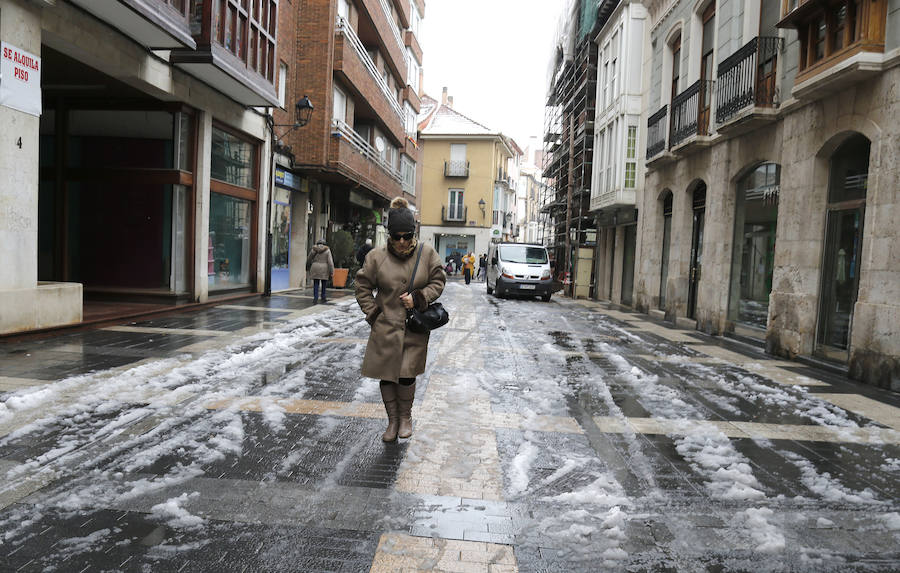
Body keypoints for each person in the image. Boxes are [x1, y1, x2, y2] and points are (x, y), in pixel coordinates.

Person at [356, 197, 445, 442]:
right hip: (385, 328)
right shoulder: (376, 257)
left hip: (413, 328)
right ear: (389, 235)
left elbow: (438, 281)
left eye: (407, 236)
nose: (402, 241)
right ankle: (392, 421)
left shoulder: (427, 253)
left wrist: (419, 297)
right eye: (396, 236)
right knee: (387, 375)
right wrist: (373, 313)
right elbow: (361, 286)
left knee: (406, 374)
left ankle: (405, 418)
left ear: (413, 233)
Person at [306, 238, 334, 304]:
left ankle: (315, 298)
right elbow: (330, 262)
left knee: (316, 283)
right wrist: (332, 271)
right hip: (324, 268)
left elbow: (309, 259)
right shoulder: (327, 250)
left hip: (315, 267)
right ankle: (323, 297)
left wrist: (307, 266)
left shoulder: (313, 249)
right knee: (324, 283)